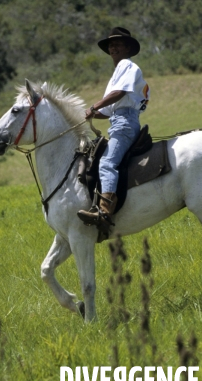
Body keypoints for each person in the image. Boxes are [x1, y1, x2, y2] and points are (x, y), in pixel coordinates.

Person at [77, 27, 149, 230]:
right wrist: (92, 114)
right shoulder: (119, 71)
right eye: (110, 44)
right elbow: (109, 111)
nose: (113, 47)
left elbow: (119, 94)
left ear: (128, 48)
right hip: (119, 120)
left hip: (125, 122)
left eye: (117, 43)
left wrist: (93, 106)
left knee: (107, 163)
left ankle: (105, 211)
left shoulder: (127, 65)